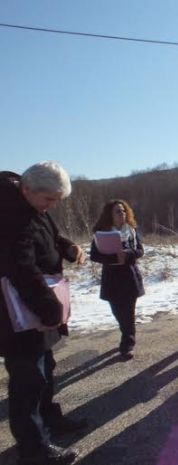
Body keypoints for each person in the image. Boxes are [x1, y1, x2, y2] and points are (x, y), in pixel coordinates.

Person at [0, 163, 87, 465]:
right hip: (18, 313)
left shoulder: (31, 206)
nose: (52, 206)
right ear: (26, 189)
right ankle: (34, 450)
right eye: (49, 200)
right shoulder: (9, 216)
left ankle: (50, 419)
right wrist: (50, 308)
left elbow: (48, 232)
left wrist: (67, 248)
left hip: (37, 306)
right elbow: (21, 268)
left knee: (45, 368)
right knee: (27, 379)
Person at [90, 199, 145, 360]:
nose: (122, 214)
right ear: (110, 215)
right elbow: (94, 255)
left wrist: (127, 254)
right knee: (118, 312)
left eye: (123, 211)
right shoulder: (102, 233)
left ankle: (127, 344)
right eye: (117, 211)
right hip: (111, 278)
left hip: (129, 276)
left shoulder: (132, 230)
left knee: (128, 312)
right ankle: (126, 333)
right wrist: (113, 257)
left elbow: (140, 251)